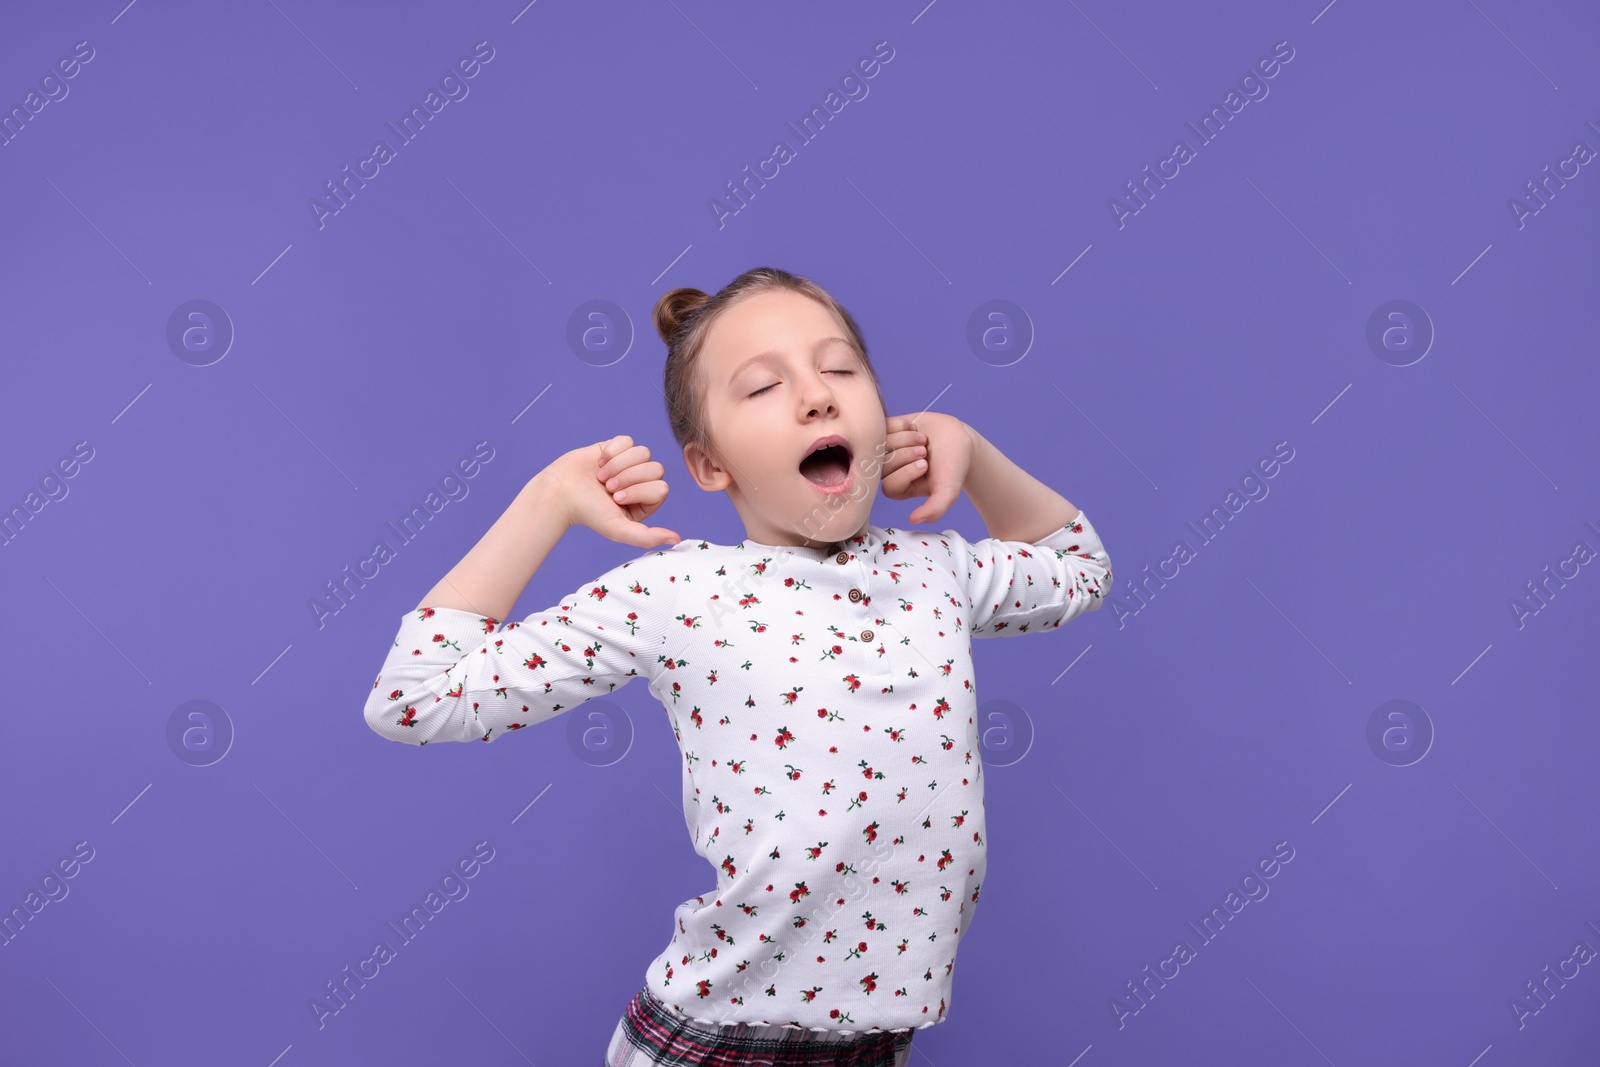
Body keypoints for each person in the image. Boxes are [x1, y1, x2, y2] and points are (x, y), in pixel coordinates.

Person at [362, 267, 1113, 1065]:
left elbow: (1081, 567)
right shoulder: (680, 591)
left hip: (874, 1047)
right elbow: (414, 696)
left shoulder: (937, 572)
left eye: (841, 368)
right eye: (762, 386)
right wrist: (547, 498)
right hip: (717, 1046)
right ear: (710, 466)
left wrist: (977, 451)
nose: (818, 396)